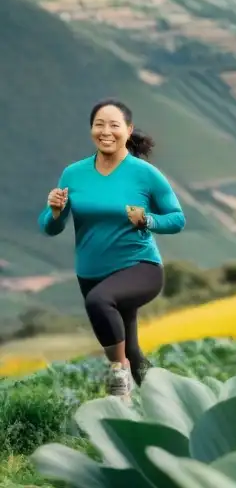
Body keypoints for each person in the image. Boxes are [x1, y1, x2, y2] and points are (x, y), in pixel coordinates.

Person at [38, 99, 185, 398]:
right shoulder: (73, 174)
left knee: (99, 302)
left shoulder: (144, 174)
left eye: (114, 125)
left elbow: (177, 219)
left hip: (139, 267)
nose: (106, 131)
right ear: (91, 129)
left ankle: (117, 373)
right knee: (130, 347)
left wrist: (147, 219)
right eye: (99, 124)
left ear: (128, 131)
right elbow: (51, 227)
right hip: (91, 272)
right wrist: (54, 211)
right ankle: (163, 402)